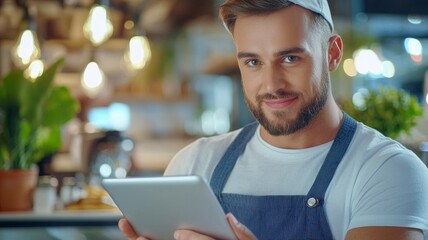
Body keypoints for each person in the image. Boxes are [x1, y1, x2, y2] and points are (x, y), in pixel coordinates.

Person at [119, 0, 428, 239]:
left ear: (332, 53)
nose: (271, 85)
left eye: (290, 58)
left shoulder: (386, 170)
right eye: (253, 62)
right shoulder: (193, 165)